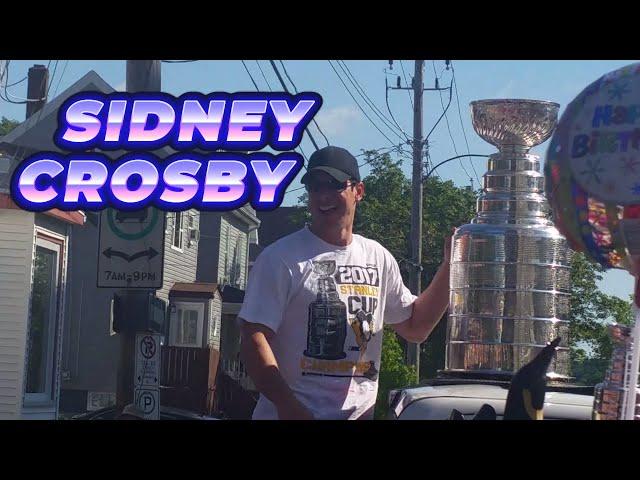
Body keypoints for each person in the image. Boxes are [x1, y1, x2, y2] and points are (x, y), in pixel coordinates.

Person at [239, 146, 451, 420]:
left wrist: (451, 265)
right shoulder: (281, 258)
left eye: (335, 185)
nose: (323, 196)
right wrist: (289, 408)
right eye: (315, 187)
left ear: (358, 191)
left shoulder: (377, 257)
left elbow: (415, 327)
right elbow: (253, 337)